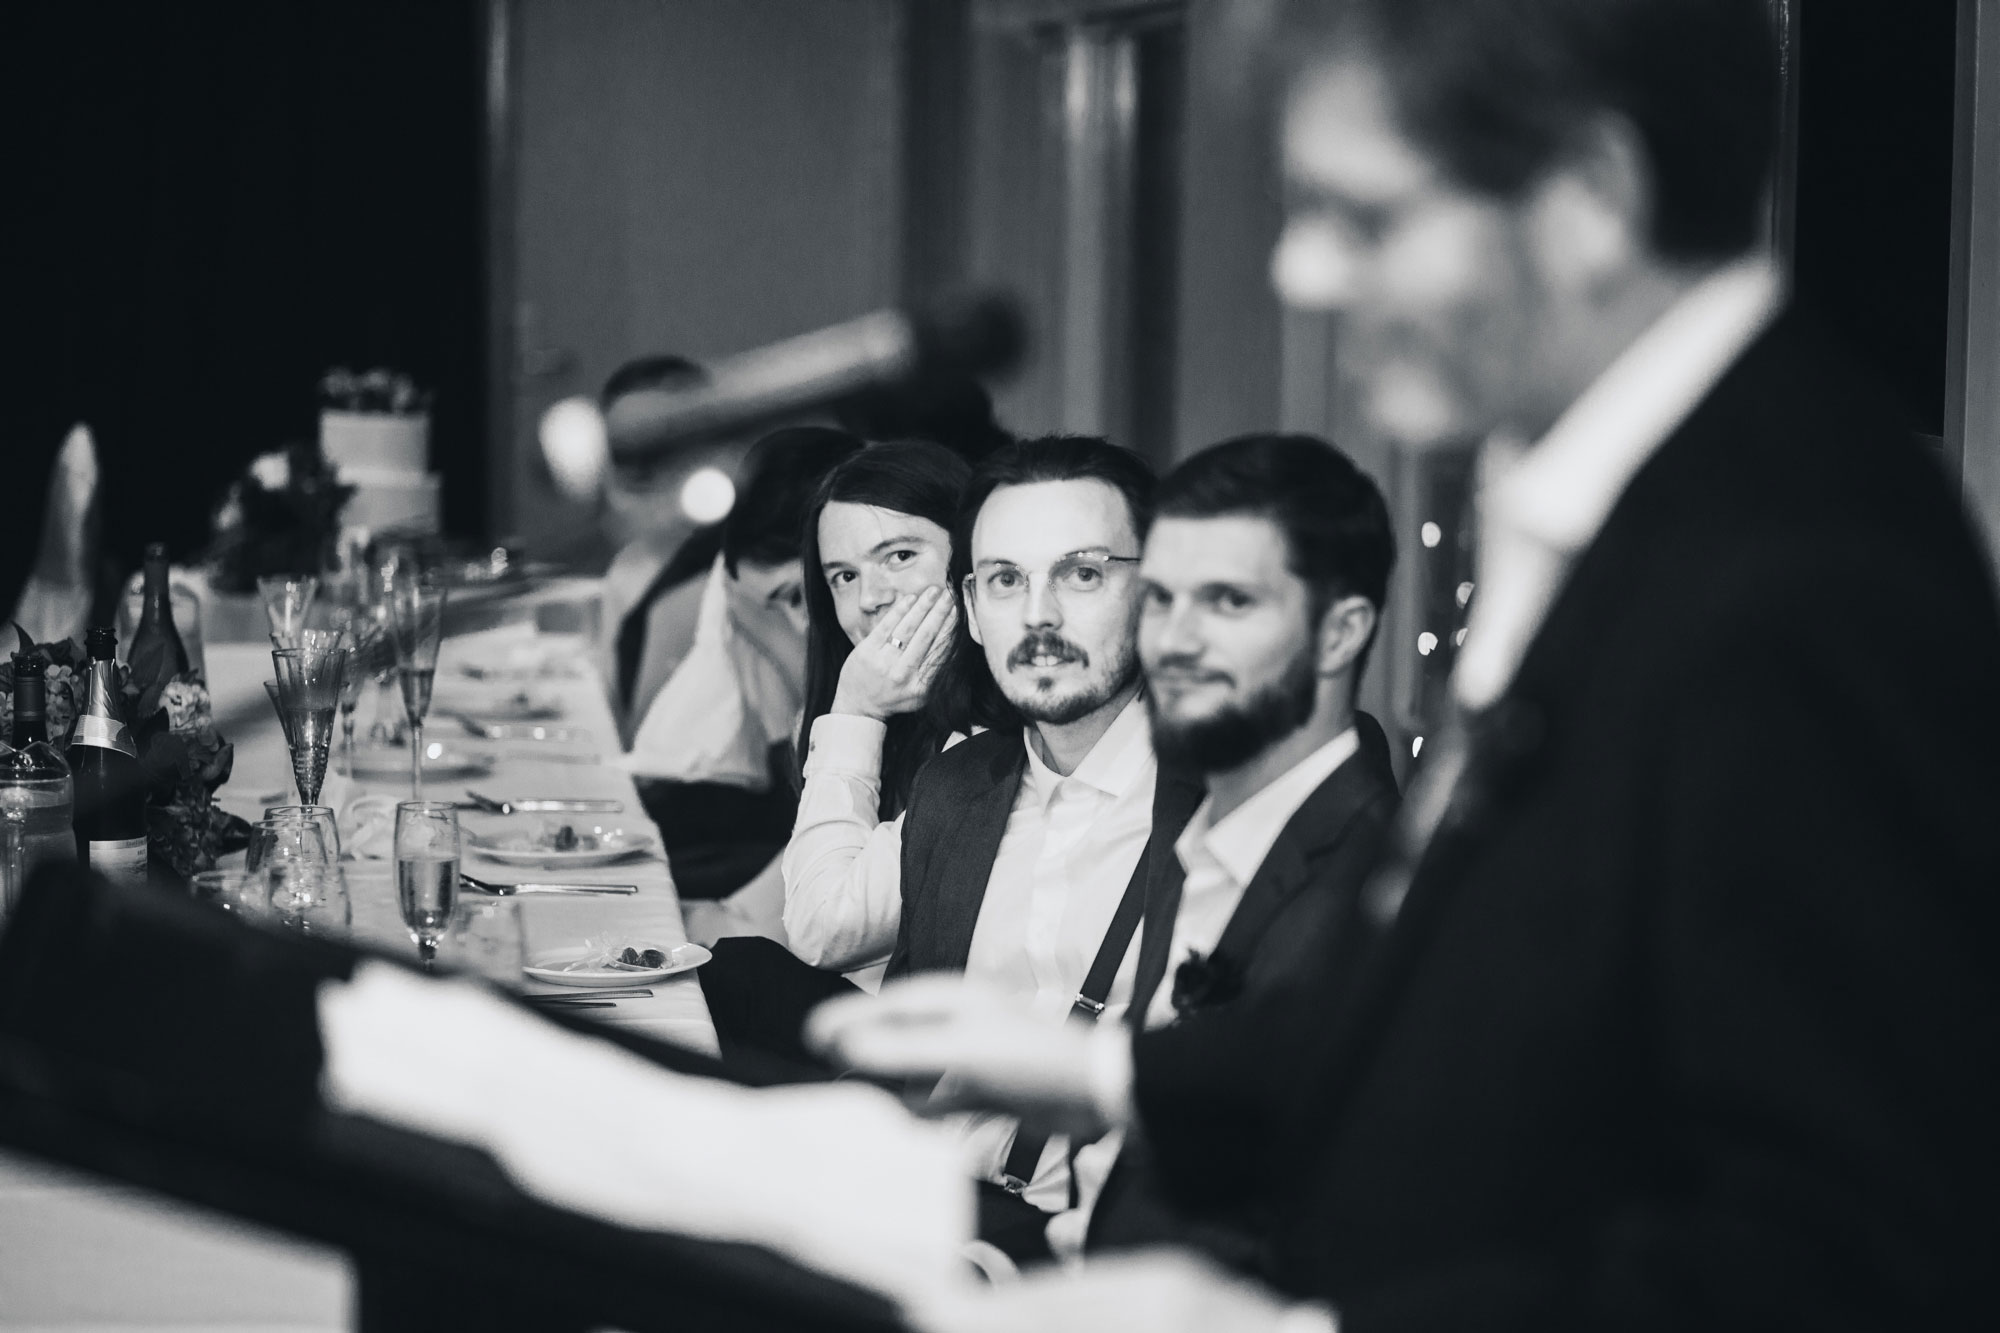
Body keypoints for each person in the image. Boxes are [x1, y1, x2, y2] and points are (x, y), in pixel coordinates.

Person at [834, 0, 2000, 1328]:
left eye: (1365, 217)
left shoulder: (1808, 571)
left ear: (1590, 196)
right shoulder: (1601, 488)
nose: (1302, 273)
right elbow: (1487, 1008)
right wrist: (1118, 1082)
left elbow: (1836, 1252)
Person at [811, 432, 1403, 1263]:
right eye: (1007, 580)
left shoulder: (1245, 799)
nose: (1039, 614)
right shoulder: (957, 789)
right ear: (971, 608)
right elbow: (881, 1010)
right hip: (923, 1209)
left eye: (1082, 573)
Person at [697, 441, 973, 1059]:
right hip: (898, 1013)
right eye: (844, 576)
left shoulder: (985, 740)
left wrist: (854, 712)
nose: (869, 597)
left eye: (899, 556)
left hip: (949, 1052)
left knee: (734, 973)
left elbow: (823, 933)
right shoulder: (908, 718)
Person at [625, 425, 862, 902]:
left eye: (799, 597)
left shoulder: (856, 617)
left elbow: (824, 815)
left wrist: (774, 641)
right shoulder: (713, 598)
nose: (797, 621)